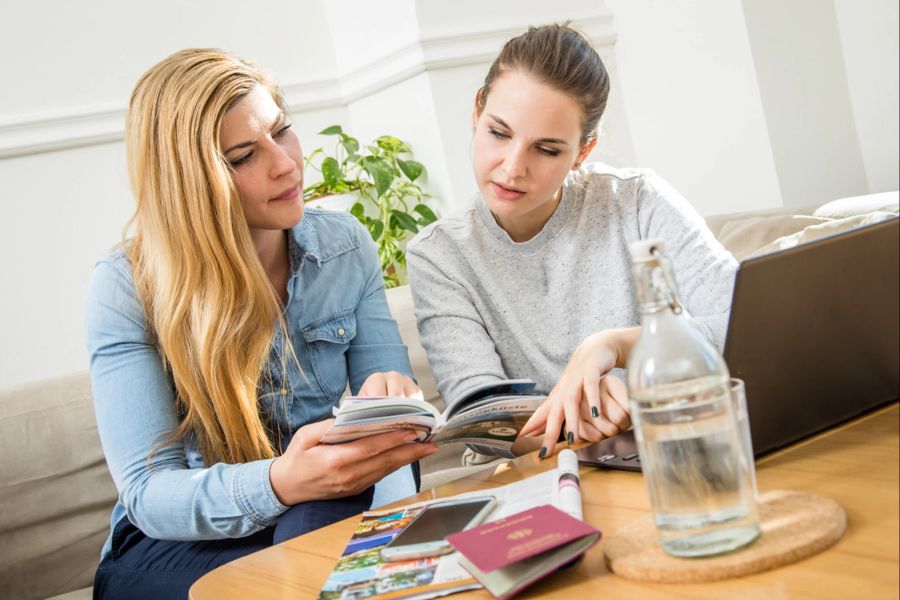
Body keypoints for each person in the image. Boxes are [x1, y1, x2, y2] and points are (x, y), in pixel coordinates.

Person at [85, 48, 437, 599]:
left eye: (283, 130)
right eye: (244, 155)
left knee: (323, 518)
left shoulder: (345, 247)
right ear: (189, 182)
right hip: (178, 542)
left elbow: (394, 424)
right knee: (312, 537)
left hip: (320, 508)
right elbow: (150, 494)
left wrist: (391, 406)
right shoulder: (128, 286)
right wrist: (280, 482)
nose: (286, 164)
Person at [406, 24, 737, 459]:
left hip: (667, 452)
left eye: (546, 150)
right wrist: (581, 421)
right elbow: (484, 424)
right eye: (499, 133)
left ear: (583, 151)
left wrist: (615, 346)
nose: (512, 167)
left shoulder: (636, 200)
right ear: (477, 111)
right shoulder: (439, 255)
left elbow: (746, 318)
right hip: (536, 477)